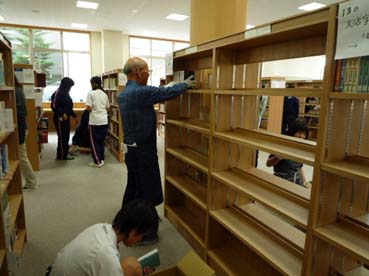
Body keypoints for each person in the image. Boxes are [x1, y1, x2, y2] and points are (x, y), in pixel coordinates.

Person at [118, 57, 193, 244]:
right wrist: (185, 84)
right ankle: (142, 232)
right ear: (138, 72)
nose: (148, 75)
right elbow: (166, 93)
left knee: (134, 184)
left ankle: (125, 222)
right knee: (147, 190)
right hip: (142, 150)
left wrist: (171, 86)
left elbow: (157, 92)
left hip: (131, 148)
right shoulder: (139, 92)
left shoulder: (125, 92)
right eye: (147, 72)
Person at [49, 199, 159, 276]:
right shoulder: (106, 254)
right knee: (133, 266)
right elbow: (107, 261)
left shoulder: (100, 228)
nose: (140, 240)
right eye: (142, 236)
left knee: (132, 266)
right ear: (134, 231)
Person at [266, 118, 309, 186]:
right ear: (292, 132)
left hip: (297, 181)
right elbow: (268, 164)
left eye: (304, 134)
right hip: (281, 180)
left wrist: (305, 182)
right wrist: (278, 157)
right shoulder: (283, 144)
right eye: (299, 133)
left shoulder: (301, 147)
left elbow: (299, 168)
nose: (301, 136)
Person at [14, 76, 37, 190]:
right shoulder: (19, 89)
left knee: (22, 157)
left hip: (19, 128)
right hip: (22, 127)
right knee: (21, 156)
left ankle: (31, 181)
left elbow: (18, 114)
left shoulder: (13, 91)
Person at [85, 76, 109, 168]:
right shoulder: (104, 94)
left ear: (94, 83)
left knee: (94, 142)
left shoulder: (91, 94)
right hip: (104, 120)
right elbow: (107, 108)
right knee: (101, 141)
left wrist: (91, 109)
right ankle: (101, 159)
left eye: (91, 83)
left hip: (94, 121)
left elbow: (89, 108)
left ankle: (97, 162)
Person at [51, 77, 76, 160]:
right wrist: (62, 113)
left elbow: (68, 106)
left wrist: (74, 116)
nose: (70, 88)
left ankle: (64, 153)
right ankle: (61, 155)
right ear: (65, 85)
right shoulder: (58, 92)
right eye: (70, 86)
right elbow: (54, 106)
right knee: (62, 136)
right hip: (59, 117)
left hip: (66, 117)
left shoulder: (65, 92)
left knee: (66, 136)